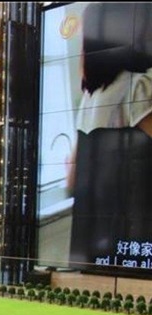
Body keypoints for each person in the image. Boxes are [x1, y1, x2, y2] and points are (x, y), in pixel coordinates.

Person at [67, 3, 152, 271]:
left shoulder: (89, 98)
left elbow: (71, 178)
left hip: (91, 241)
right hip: (132, 231)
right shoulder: (137, 86)